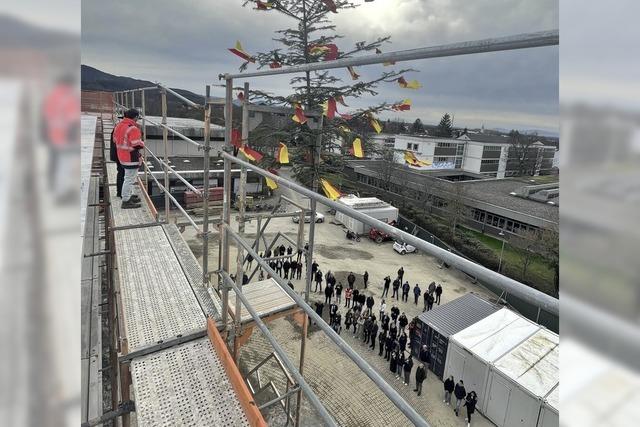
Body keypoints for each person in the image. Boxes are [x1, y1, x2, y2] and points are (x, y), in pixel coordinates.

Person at [113, 109, 145, 209]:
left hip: (121, 156)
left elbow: (115, 139)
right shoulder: (133, 128)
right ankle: (126, 201)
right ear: (135, 117)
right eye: (137, 117)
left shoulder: (119, 125)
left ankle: (128, 196)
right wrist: (142, 143)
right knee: (129, 179)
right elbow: (137, 144)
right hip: (130, 158)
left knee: (128, 178)